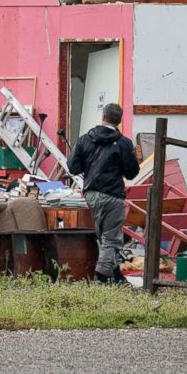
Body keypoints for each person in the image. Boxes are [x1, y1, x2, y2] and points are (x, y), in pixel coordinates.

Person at [67, 102, 140, 284]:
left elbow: (72, 167)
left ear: (103, 117)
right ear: (120, 120)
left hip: (91, 194)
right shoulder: (123, 143)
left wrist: (89, 166)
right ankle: (99, 279)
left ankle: (116, 277)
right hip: (113, 195)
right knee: (111, 238)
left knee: (103, 236)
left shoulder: (85, 139)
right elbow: (132, 172)